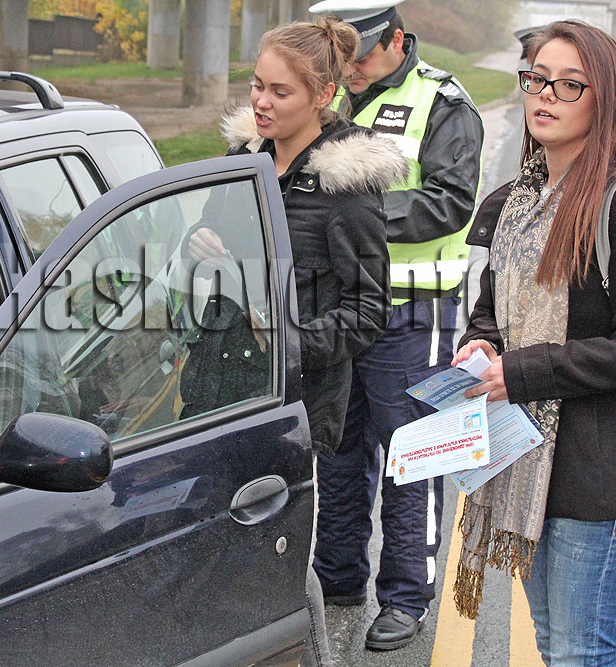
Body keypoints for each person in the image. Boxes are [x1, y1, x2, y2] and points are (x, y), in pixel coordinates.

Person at [452, 20, 616, 666]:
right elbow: (490, 312)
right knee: (556, 648)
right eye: (537, 79)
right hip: (531, 464)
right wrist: (480, 348)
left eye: (569, 84)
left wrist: (522, 371)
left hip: (604, 480)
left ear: (605, 97)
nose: (546, 95)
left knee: (580, 654)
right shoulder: (513, 203)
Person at [186, 18, 406, 665]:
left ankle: (310, 655)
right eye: (257, 85)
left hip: (293, 404)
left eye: (280, 91)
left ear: (323, 94)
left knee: (277, 560)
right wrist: (198, 249)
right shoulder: (244, 161)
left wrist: (288, 343)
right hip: (218, 385)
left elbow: (368, 310)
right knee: (212, 549)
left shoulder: (346, 190)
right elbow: (207, 253)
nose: (261, 101)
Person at [306, 0, 485, 650]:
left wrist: (352, 215)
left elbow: (450, 201)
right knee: (337, 448)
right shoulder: (326, 94)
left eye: (360, 56)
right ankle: (337, 577)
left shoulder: (443, 103)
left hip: (412, 311)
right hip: (338, 308)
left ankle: (407, 597)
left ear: (397, 39)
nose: (349, 70)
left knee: (413, 454)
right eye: (341, 58)